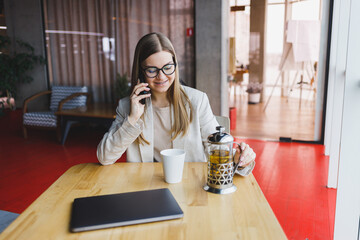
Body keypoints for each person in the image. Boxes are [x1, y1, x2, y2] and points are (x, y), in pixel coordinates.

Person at [97, 32, 256, 175]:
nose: (161, 77)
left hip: (190, 185)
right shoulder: (127, 107)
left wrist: (237, 158)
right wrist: (132, 119)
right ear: (140, 71)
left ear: (175, 66)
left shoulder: (197, 101)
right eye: (152, 70)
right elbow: (105, 157)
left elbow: (218, 151)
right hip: (146, 188)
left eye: (167, 67)